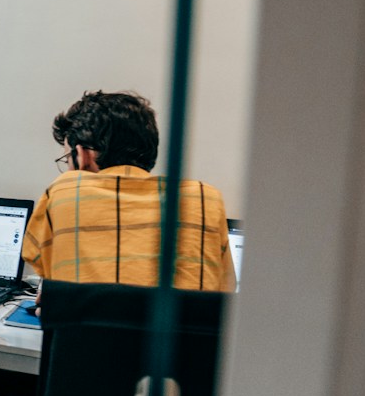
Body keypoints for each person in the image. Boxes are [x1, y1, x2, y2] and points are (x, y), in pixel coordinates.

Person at [23, 90, 236, 291]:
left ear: (83, 156)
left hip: (90, 330)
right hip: (178, 330)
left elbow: (47, 273)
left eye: (67, 159)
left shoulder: (62, 192)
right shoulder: (204, 199)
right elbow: (225, 288)